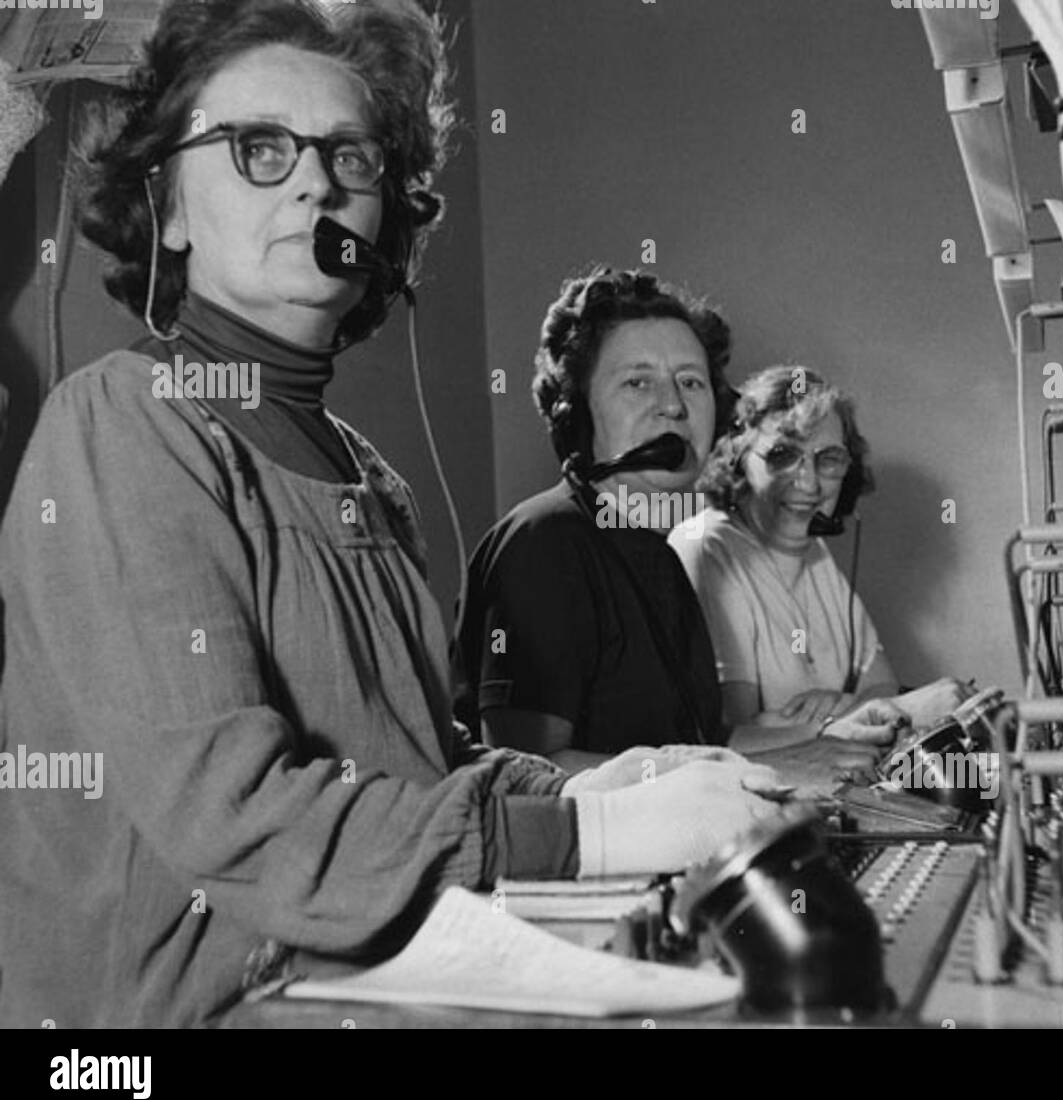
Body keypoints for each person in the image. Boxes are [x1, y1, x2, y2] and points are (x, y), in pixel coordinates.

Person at [0, 0, 782, 1029]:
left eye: (350, 156)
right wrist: (598, 838)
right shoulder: (120, 426)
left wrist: (583, 792)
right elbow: (241, 821)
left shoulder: (367, 476)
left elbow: (423, 765)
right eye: (259, 148)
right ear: (170, 208)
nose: (317, 180)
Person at [454, 273, 906, 775]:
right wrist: (771, 773)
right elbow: (528, 773)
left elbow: (699, 743)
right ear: (575, 414)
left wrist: (833, 738)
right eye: (637, 381)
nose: (673, 405)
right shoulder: (544, 544)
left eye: (690, 382)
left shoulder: (659, 557)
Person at [669, 365, 974, 735]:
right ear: (738, 460)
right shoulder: (707, 548)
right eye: (782, 456)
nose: (809, 483)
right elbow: (735, 733)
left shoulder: (814, 554)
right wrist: (870, 713)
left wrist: (849, 706)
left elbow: (882, 686)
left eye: (828, 460)